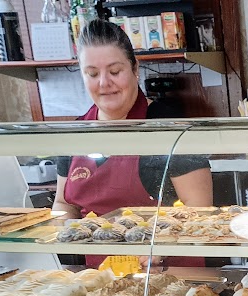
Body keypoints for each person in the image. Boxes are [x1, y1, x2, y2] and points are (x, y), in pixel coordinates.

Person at [52, 19, 213, 225]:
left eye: (115, 71)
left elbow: (199, 207)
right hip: (99, 256)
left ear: (135, 68)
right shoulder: (75, 133)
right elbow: (63, 204)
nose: (103, 83)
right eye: (92, 73)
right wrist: (63, 229)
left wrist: (160, 249)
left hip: (161, 254)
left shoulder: (170, 127)